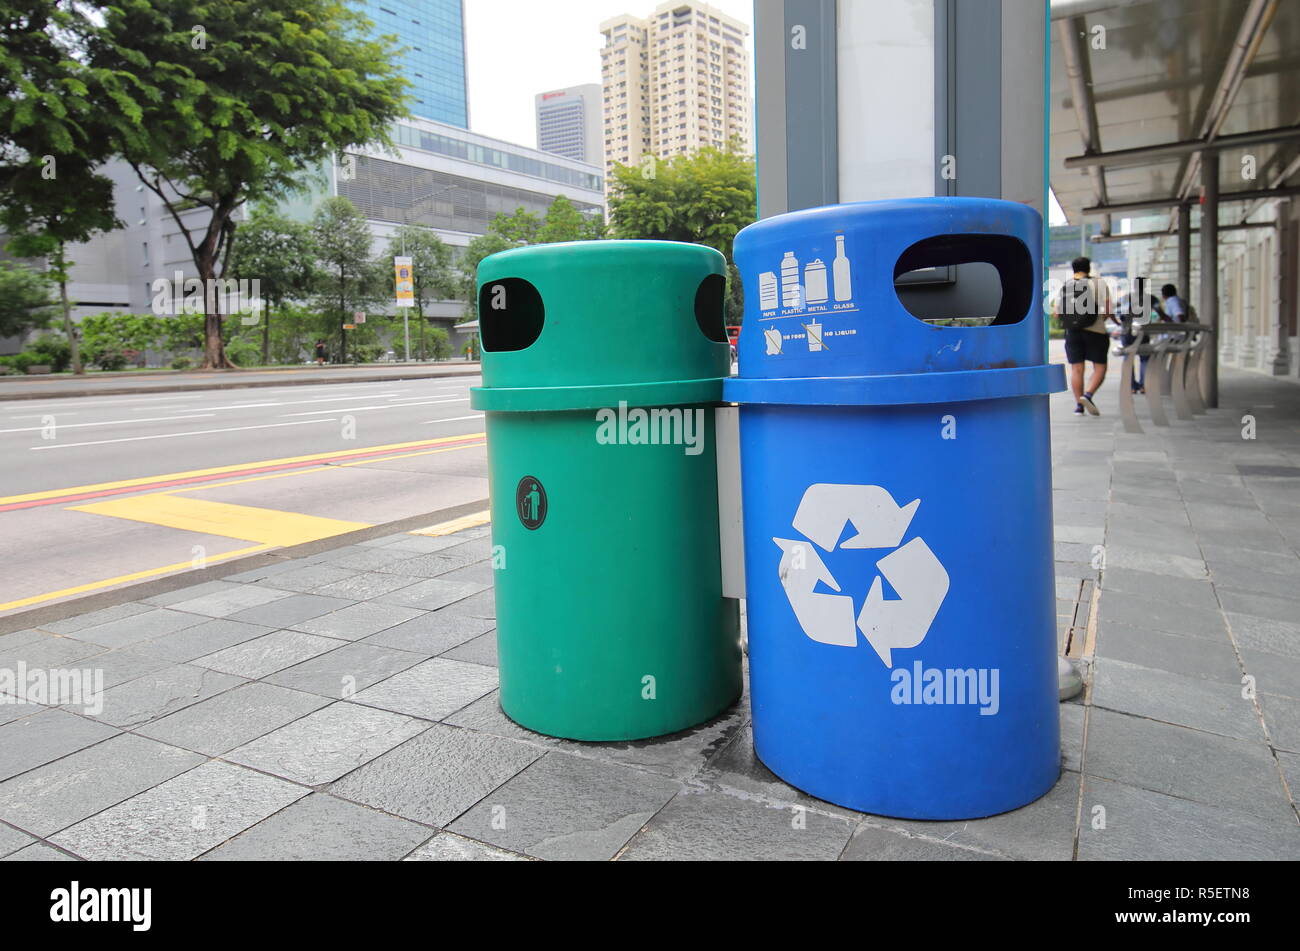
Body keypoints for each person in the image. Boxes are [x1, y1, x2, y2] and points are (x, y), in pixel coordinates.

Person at [1058, 256, 1113, 416]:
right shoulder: (1098, 283)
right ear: (1089, 268)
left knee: (1077, 369)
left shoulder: (1066, 286)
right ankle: (1087, 395)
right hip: (1095, 331)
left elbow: (1057, 313)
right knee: (1100, 366)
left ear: (1073, 269)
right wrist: (1099, 320)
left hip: (1072, 333)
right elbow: (1108, 311)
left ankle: (1079, 406)